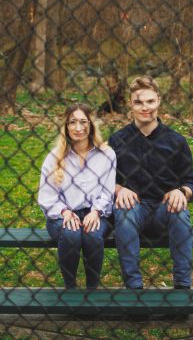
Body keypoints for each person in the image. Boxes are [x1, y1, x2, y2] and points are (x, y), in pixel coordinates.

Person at [109, 76, 193, 290]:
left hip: (164, 209)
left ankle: (183, 287)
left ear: (158, 100)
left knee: (180, 211)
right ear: (131, 104)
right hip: (133, 209)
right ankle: (134, 288)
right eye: (138, 102)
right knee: (123, 210)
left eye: (149, 101)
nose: (144, 107)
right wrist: (118, 189)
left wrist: (181, 192)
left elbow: (190, 182)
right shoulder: (117, 140)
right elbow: (103, 181)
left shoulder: (176, 141)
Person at [37, 103, 116, 289]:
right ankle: (70, 288)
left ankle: (92, 288)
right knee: (71, 235)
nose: (78, 128)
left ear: (91, 125)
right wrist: (64, 212)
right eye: (73, 122)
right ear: (66, 126)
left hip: (96, 213)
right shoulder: (54, 157)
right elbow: (47, 196)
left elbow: (108, 191)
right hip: (63, 214)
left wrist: (96, 212)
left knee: (92, 235)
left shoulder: (107, 154)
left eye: (83, 122)